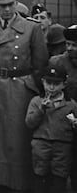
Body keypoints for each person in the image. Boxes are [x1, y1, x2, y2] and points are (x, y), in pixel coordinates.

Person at [0, 0, 48, 192]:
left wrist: (32, 89)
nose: (7, 9)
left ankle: (18, 182)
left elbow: (40, 63)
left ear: (17, 2)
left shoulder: (32, 28)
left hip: (20, 89)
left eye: (11, 4)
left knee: (17, 138)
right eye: (2, 5)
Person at [25, 64, 77, 193]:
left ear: (64, 84)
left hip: (63, 146)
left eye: (56, 83)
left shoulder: (71, 104)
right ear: (43, 82)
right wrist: (41, 110)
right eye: (48, 83)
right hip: (41, 144)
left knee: (59, 178)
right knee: (40, 176)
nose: (52, 87)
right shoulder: (36, 101)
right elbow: (29, 123)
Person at [49, 25, 77, 191]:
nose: (70, 48)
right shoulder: (57, 62)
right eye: (68, 44)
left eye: (74, 45)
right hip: (62, 118)